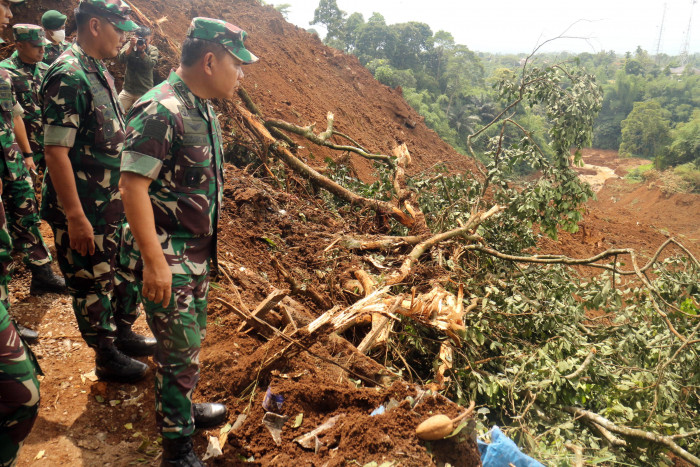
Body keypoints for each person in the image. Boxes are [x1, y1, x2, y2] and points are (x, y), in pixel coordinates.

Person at [120, 17, 258, 465]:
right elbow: (132, 186)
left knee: (186, 345)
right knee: (178, 351)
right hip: (170, 257)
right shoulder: (161, 109)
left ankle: (181, 407)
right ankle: (176, 448)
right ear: (210, 59)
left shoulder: (200, 105)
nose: (242, 74)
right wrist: (154, 262)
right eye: (238, 64)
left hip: (194, 256)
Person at [40, 0, 156, 383]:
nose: (124, 36)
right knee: (91, 281)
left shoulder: (97, 69)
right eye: (118, 28)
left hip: (109, 202)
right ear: (94, 25)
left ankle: (120, 333)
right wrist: (75, 217)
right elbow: (56, 152)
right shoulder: (69, 74)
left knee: (120, 272)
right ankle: (105, 354)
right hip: (84, 206)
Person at [0, 25, 68, 312]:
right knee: (19, 209)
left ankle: (41, 271)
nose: (42, 50)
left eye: (42, 45)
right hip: (18, 153)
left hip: (32, 149)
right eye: (35, 46)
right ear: (18, 45)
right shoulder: (6, 71)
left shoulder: (44, 69)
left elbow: (14, 114)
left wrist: (27, 152)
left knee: (29, 207)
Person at [0, 1, 41, 465]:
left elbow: (14, 119)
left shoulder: (14, 76)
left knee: (18, 230)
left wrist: (25, 158)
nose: (8, 15)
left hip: (13, 161)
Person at [117, 25, 158, 112]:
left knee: (142, 119)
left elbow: (150, 64)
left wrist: (142, 52)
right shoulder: (130, 45)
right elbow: (121, 59)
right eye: (140, 39)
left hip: (144, 92)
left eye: (146, 40)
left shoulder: (153, 50)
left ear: (150, 39)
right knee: (117, 111)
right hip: (128, 90)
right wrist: (131, 46)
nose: (143, 42)